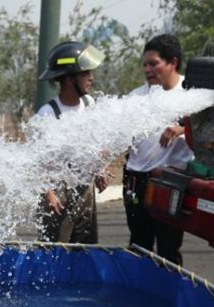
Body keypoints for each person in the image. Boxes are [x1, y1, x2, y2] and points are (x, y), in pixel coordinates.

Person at [123, 33, 194, 264]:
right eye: (144, 65)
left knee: (168, 250)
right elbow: (121, 137)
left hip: (170, 181)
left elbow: (209, 128)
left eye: (154, 64)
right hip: (135, 179)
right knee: (138, 245)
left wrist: (181, 129)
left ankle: (170, 296)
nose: (147, 70)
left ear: (172, 62)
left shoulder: (191, 93)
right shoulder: (136, 97)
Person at [34, 40, 109, 244]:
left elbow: (96, 142)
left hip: (85, 190)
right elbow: (36, 163)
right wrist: (49, 194)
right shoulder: (47, 115)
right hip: (58, 194)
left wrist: (101, 168)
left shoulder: (89, 104)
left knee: (85, 251)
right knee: (55, 254)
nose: (91, 78)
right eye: (85, 73)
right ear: (68, 79)